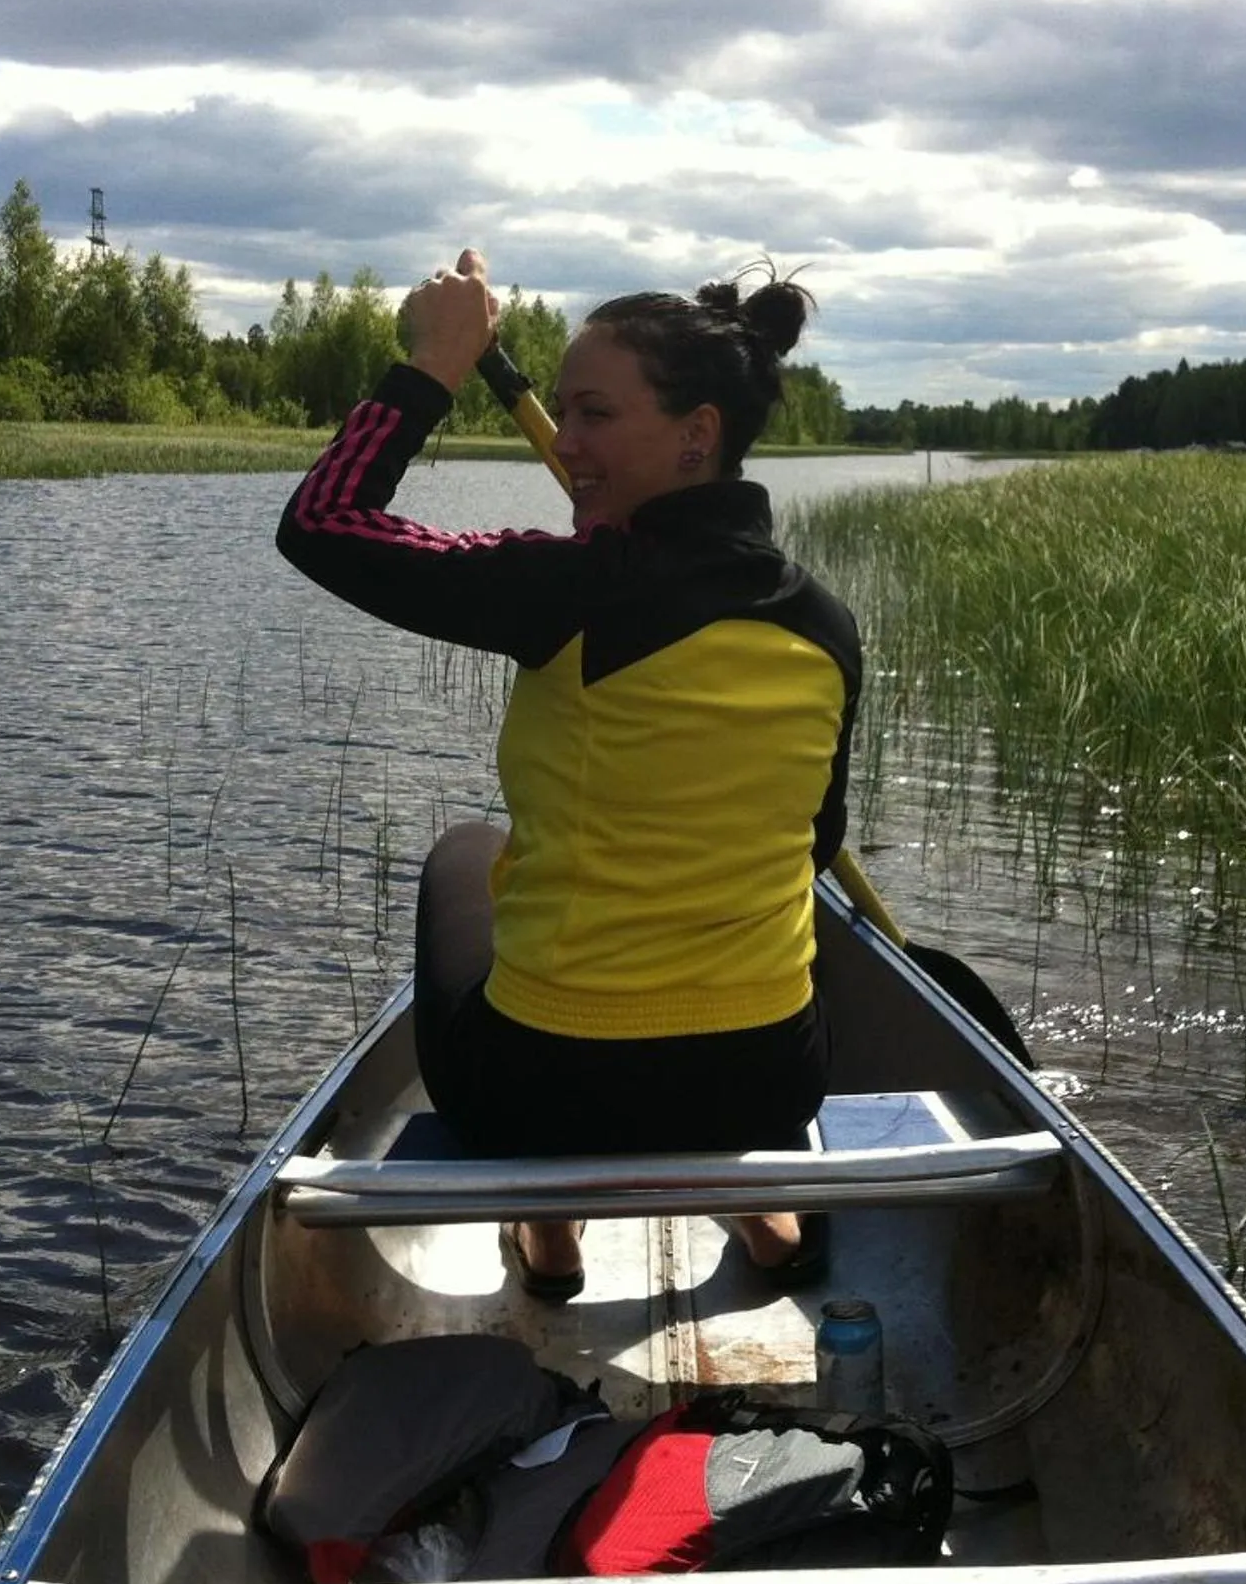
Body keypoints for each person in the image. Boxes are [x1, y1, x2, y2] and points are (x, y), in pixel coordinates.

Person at [276, 250, 860, 1301]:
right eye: (566, 414)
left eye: (594, 415)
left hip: (546, 1090)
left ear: (698, 436)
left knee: (470, 855)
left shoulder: (573, 588)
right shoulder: (825, 623)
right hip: (771, 1083)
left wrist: (437, 365)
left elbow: (322, 523)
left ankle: (550, 1234)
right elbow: (814, 846)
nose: (570, 443)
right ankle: (767, 1211)